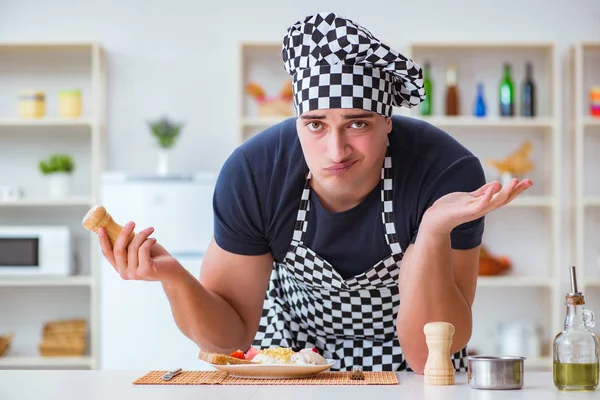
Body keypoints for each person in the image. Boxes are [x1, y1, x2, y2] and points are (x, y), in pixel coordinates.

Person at [96, 12, 532, 373]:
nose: (335, 149)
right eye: (316, 124)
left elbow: (426, 357)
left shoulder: (444, 174)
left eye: (358, 123)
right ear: (298, 122)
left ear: (387, 123)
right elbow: (228, 339)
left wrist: (434, 232)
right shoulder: (255, 172)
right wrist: (172, 276)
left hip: (411, 379)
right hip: (286, 365)